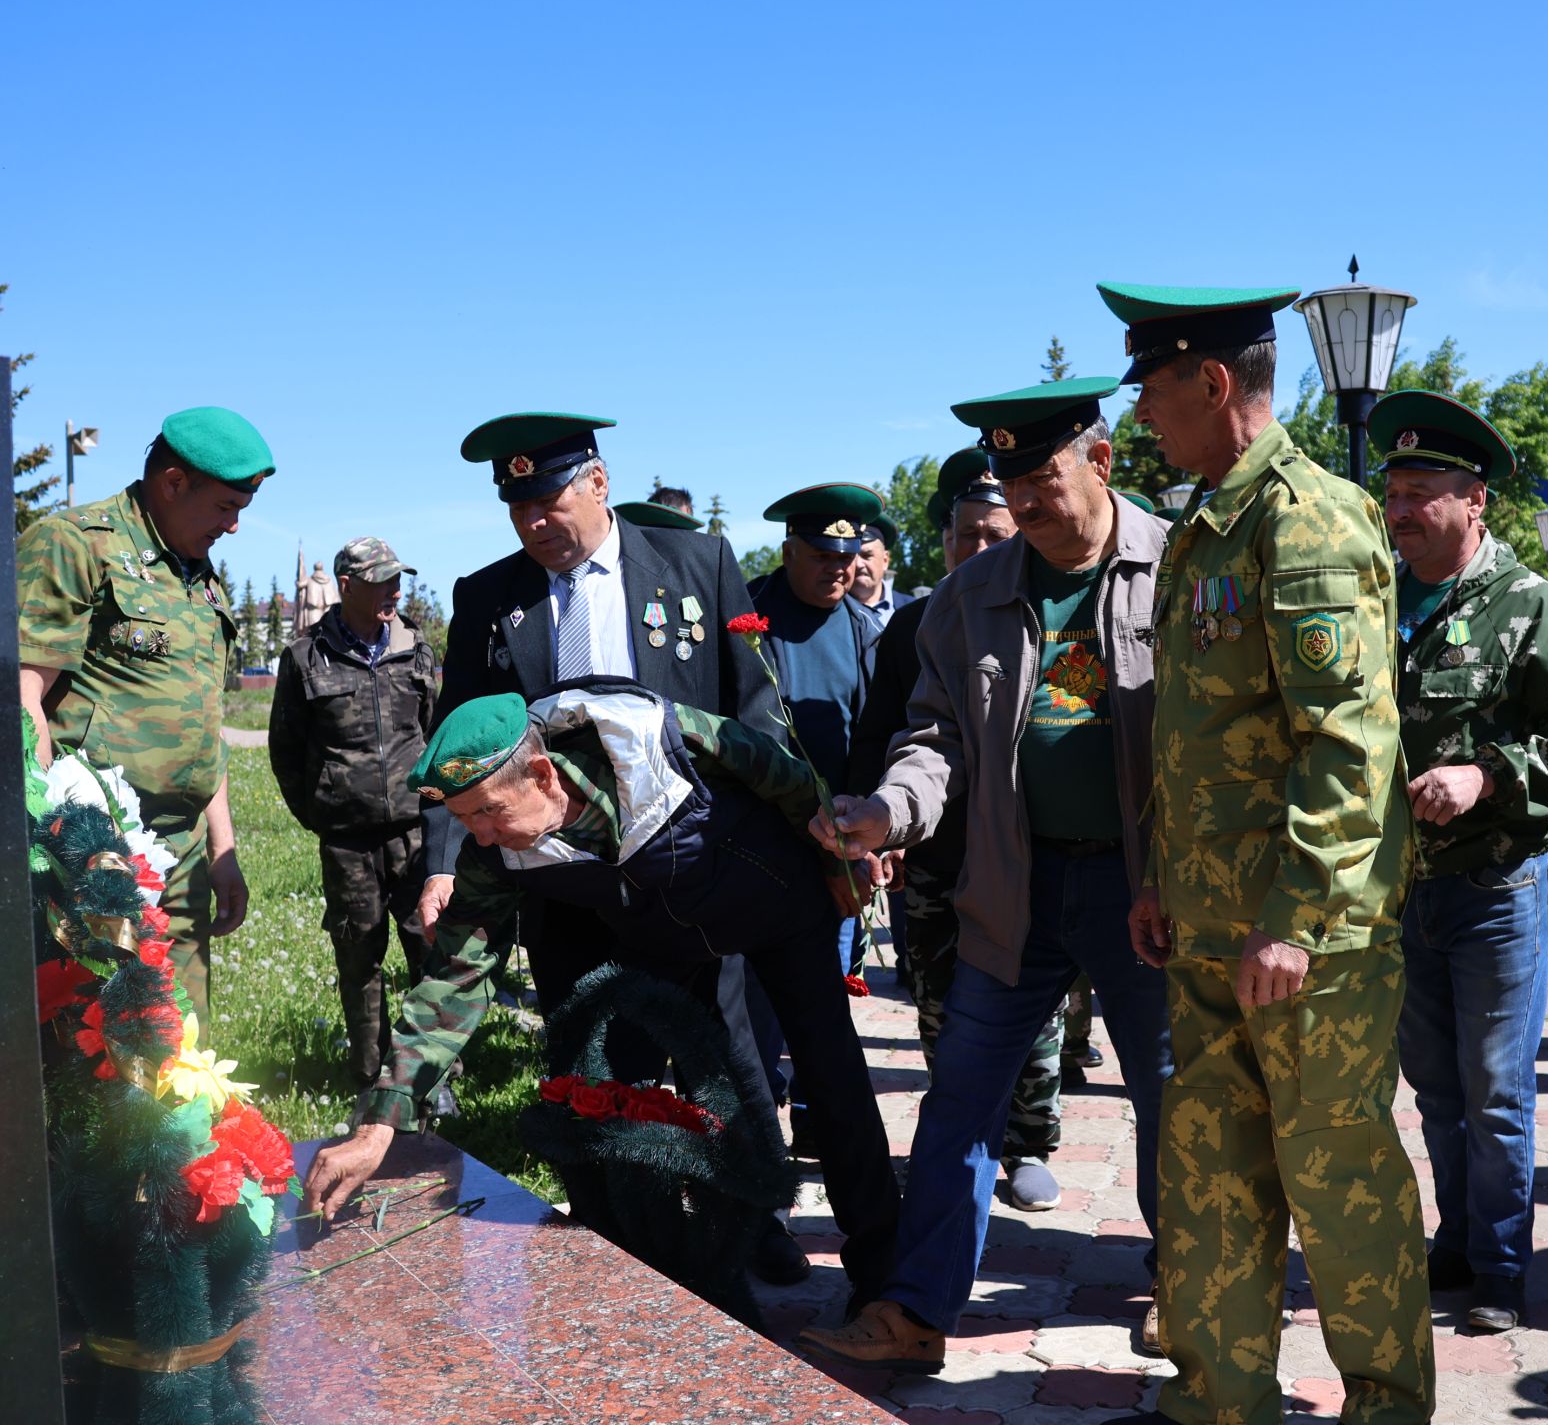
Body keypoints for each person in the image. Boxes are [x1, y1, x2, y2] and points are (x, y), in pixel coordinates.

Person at [1106, 282, 1435, 1425]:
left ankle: (1387, 1407)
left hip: (1310, 944)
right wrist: (1160, 878)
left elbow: (1349, 744)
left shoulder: (1308, 517)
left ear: (1210, 383)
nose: (1140, 415)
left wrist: (1293, 916)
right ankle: (1219, 1402)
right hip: (1207, 929)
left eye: (1150, 391)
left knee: (1340, 1187)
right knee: (1209, 1186)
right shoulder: (1210, 518)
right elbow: (1196, 734)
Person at [302, 687, 900, 1315]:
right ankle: (686, 1247)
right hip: (667, 939)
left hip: (779, 904)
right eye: (464, 818)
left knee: (831, 1080)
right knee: (618, 1087)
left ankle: (883, 1281)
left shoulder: (665, 740)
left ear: (541, 774)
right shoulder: (496, 850)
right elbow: (453, 980)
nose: (479, 835)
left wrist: (839, 860)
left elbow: (786, 776)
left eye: (487, 812)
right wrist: (380, 1123)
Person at [797, 377, 1173, 1372]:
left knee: (1174, 1094)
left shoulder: (1179, 568)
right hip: (1016, 887)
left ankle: (1188, 1286)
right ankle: (914, 1311)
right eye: (1011, 479)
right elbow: (935, 738)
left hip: (1150, 894)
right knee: (960, 1097)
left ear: (1100, 460)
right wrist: (885, 811)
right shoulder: (968, 597)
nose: (1027, 499)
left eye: (1043, 475)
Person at [422, 411, 804, 1282]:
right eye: (517, 509)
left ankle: (756, 1214)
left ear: (597, 482)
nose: (534, 523)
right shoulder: (488, 597)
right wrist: (446, 862)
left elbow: (753, 712)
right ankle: (612, 1219)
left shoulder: (697, 564)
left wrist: (774, 841)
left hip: (694, 869)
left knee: (727, 1051)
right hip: (566, 881)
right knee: (591, 1050)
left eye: (549, 500)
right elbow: (460, 747)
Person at [1374, 388, 1548, 1335]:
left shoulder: (1528, 605)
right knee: (1433, 1087)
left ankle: (1504, 1270)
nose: (1398, 513)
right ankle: (1459, 1240)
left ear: (1475, 502)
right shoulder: (1377, 596)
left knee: (1496, 1090)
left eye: (1420, 493)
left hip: (1495, 887)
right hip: (1405, 890)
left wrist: (1488, 774)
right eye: (1391, 493)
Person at [846, 448, 1068, 1214]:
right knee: (941, 1001)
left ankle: (1029, 1144)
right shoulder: (915, 623)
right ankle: (960, 1140)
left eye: (993, 533)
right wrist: (885, 829)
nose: (977, 550)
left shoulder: (1045, 609)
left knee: (1034, 1002)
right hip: (938, 853)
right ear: (943, 540)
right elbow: (882, 735)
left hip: (1031, 848)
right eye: (964, 535)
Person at [18, 406, 274, 1031]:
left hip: (181, 851)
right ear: (173, 482)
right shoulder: (77, 545)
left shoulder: (202, 582)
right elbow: (21, 700)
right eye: (225, 506)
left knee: (178, 1033)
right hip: (95, 850)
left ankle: (190, 1133)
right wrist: (69, 841)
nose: (235, 526)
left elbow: (202, 722)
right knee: (93, 1037)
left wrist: (223, 847)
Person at [267, 537, 440, 1090]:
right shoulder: (304, 656)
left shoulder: (417, 648)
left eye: (398, 580)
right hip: (347, 844)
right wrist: (321, 811)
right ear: (346, 586)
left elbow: (436, 737)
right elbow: (285, 750)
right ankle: (370, 1079)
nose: (394, 590)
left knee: (428, 953)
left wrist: (438, 813)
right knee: (359, 960)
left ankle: (432, 1077)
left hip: (416, 835)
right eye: (381, 581)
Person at [745, 483, 886, 1153]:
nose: (841, 570)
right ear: (789, 552)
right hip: (758, 845)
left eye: (849, 557)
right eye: (824, 557)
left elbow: (878, 734)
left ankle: (814, 1119)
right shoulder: (748, 613)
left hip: (838, 850)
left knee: (825, 998)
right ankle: (752, 1131)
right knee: (755, 1005)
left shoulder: (863, 628)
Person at [850, 514, 899, 624]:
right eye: (851, 556)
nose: (858, 564)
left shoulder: (916, 610)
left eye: (867, 556)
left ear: (885, 561)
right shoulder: (826, 610)